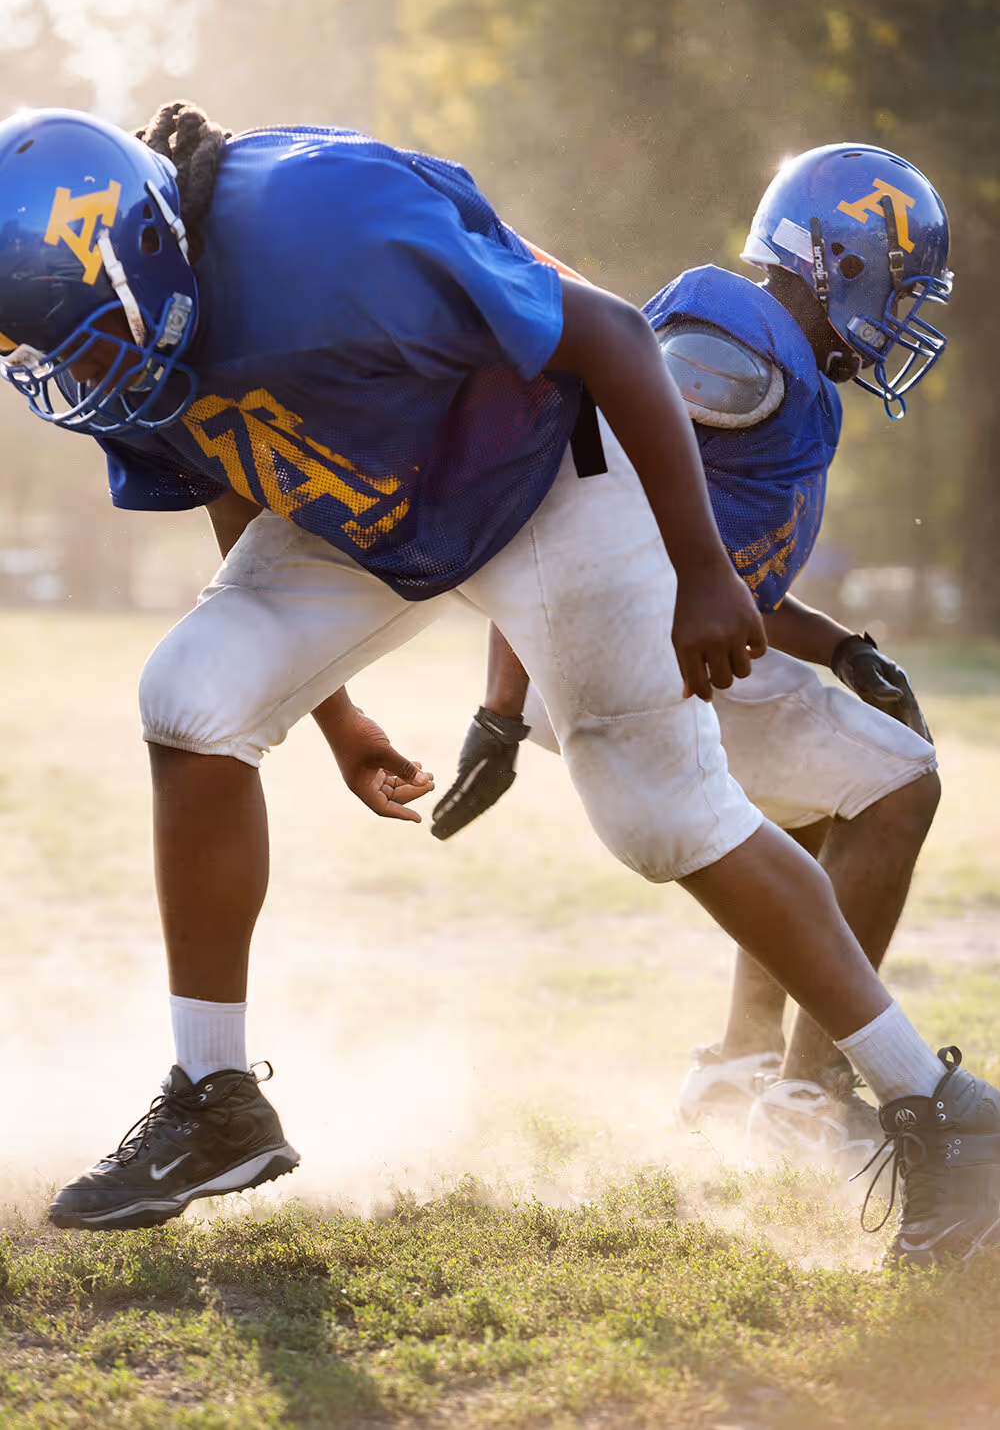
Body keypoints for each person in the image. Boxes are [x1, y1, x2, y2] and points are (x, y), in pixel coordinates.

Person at [0, 107, 994, 1267]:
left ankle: (941, 1115)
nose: (81, 376)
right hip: (388, 497)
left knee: (663, 815)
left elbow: (613, 336)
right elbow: (233, 460)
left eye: (90, 341)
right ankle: (215, 1099)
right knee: (191, 695)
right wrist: (332, 710)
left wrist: (698, 567)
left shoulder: (332, 221)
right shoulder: (117, 332)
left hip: (544, 476)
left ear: (151, 251)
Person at [429, 148, 948, 1178]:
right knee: (900, 787)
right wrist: (502, 706)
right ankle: (808, 1092)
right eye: (897, 286)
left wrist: (844, 650)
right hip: (626, 656)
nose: (902, 316)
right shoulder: (727, 349)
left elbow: (720, 570)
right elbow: (567, 501)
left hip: (660, 645)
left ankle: (741, 1069)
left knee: (814, 804)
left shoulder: (773, 368)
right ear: (839, 263)